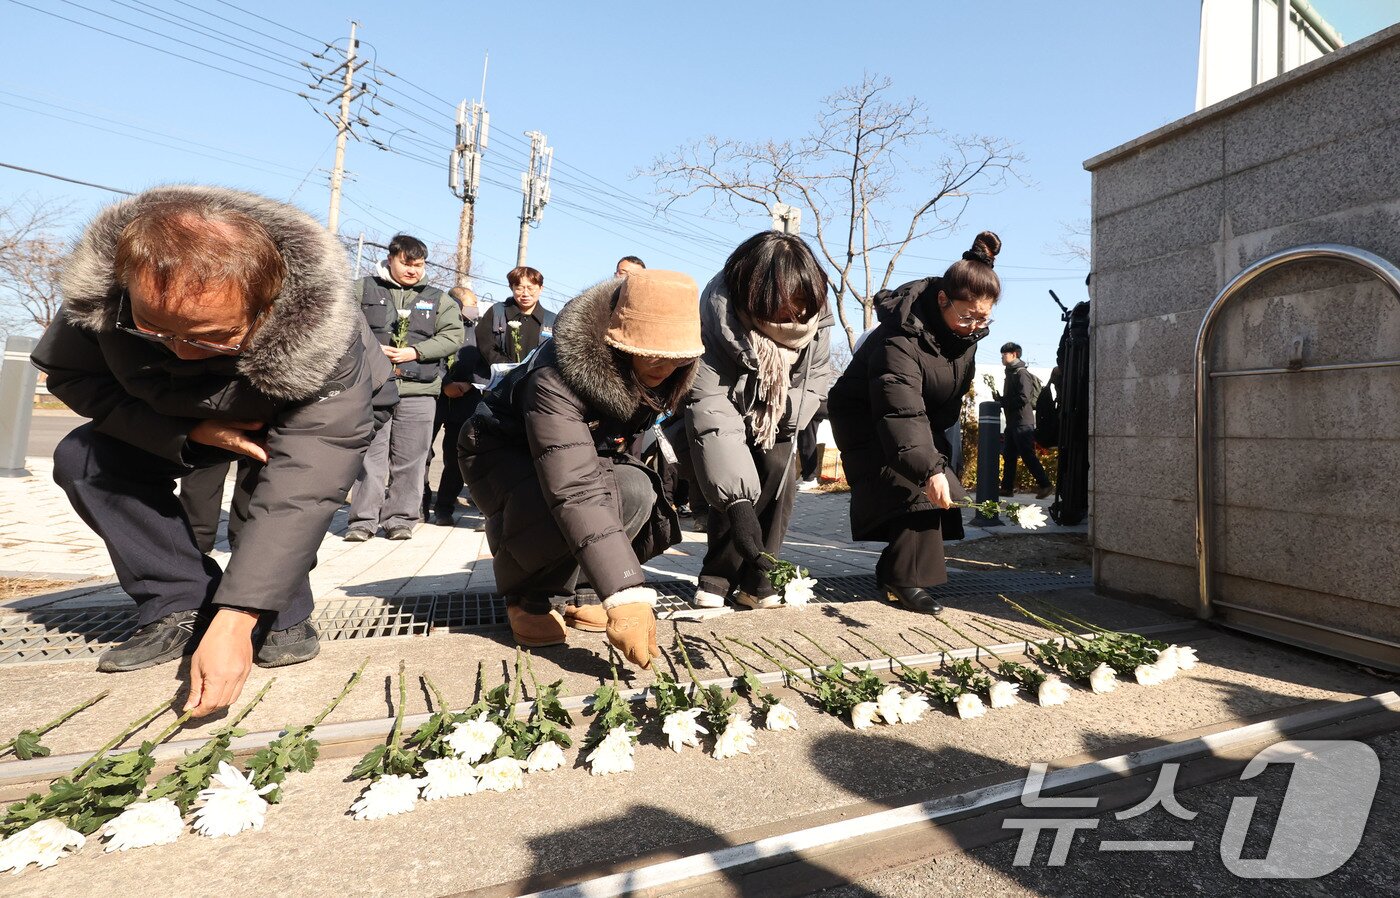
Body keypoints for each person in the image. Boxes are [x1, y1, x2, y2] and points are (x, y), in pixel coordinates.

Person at [31, 185, 396, 717]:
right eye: (152, 329)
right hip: (180, 415)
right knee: (84, 458)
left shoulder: (326, 334)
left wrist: (240, 617)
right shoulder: (106, 292)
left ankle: (282, 614)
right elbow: (74, 377)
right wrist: (190, 433)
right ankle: (177, 598)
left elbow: (305, 485)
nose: (178, 351)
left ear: (266, 302)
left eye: (207, 337)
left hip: (303, 412)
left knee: (268, 494)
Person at [459, 270, 704, 667]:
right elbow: (573, 486)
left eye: (677, 358)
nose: (663, 366)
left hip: (573, 452)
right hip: (499, 450)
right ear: (618, 337)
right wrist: (626, 592)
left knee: (634, 488)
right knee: (559, 499)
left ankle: (583, 591)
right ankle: (531, 597)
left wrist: (611, 585)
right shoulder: (556, 375)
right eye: (651, 352)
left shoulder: (671, 373)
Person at [828, 231, 1005, 616]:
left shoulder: (964, 338)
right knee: (917, 484)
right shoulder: (900, 338)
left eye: (983, 318)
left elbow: (939, 401)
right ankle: (905, 579)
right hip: (867, 414)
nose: (974, 326)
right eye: (966, 316)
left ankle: (896, 571)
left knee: (938, 481)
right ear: (942, 299)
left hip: (912, 416)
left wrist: (938, 457)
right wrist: (930, 464)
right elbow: (900, 409)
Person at [686, 232, 833, 610]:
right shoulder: (717, 315)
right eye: (785, 306)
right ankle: (717, 575)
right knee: (735, 493)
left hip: (781, 411)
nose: (795, 317)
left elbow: (817, 373)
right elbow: (710, 405)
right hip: (727, 407)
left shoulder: (816, 315)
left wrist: (788, 413)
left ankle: (759, 578)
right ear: (754, 293)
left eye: (803, 305)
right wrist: (736, 501)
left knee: (778, 474)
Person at [344, 235, 464, 542]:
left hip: (419, 390)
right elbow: (341, 321)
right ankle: (362, 521)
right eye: (406, 263)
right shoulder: (362, 288)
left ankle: (400, 520)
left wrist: (416, 352)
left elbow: (453, 336)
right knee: (370, 456)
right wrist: (373, 348)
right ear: (391, 258)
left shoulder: (439, 298)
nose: (412, 270)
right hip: (371, 389)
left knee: (412, 458)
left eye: (419, 265)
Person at [422, 286, 484, 526]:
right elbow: (428, 358)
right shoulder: (434, 325)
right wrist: (445, 383)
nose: (475, 308)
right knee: (422, 453)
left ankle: (444, 507)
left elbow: (484, 363)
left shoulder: (477, 332)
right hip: (434, 397)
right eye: (471, 302)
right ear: (456, 304)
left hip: (465, 401)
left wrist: (469, 384)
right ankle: (421, 503)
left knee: (456, 456)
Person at [995, 341, 1053, 499]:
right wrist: (1000, 399)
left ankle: (1045, 484)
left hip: (1022, 422)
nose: (1001, 357)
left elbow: (1023, 398)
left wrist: (1004, 402)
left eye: (1004, 354)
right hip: (1013, 422)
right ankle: (1007, 488)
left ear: (1014, 354)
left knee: (1027, 454)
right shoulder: (1011, 373)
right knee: (1009, 455)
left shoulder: (1021, 373)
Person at [476, 266, 555, 374]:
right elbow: (485, 345)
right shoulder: (497, 312)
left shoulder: (552, 320)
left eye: (530, 288)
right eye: (519, 288)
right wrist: (509, 369)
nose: (525, 294)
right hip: (501, 380)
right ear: (511, 287)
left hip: (536, 383)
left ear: (541, 288)